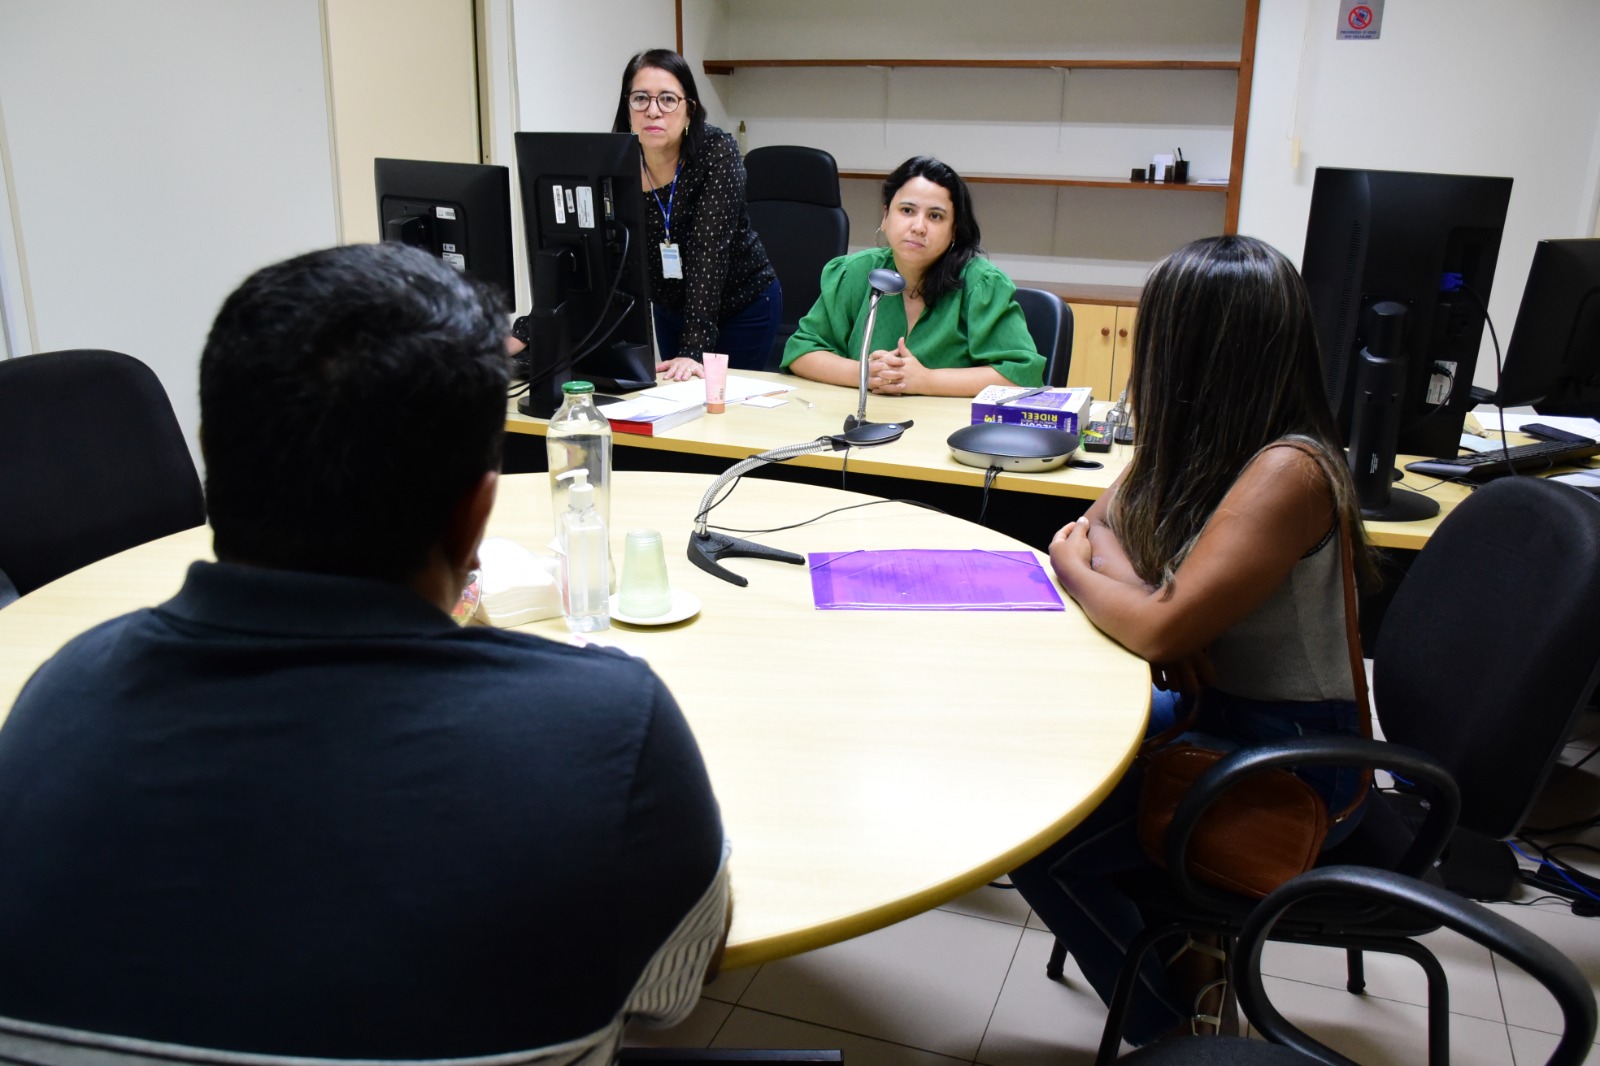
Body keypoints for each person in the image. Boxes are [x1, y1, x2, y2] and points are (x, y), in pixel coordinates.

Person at [0, 243, 729, 1060]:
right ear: (475, 513)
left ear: (214, 454)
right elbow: (669, 994)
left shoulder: (51, 707)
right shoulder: (612, 733)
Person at [1007, 235, 1375, 1046]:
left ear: (1203, 349)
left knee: (1037, 840)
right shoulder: (1204, 442)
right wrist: (1142, 595)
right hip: (1220, 709)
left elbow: (1125, 590)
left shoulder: (1289, 470)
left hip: (1292, 757)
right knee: (1043, 754)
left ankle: (1175, 1035)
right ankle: (1184, 947)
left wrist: (1084, 573)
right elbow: (1105, 526)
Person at [782, 155, 1044, 396]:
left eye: (935, 216)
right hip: (862, 424)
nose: (918, 227)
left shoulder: (981, 284)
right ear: (885, 216)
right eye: (907, 211)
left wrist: (926, 380)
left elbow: (1022, 376)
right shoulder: (854, 273)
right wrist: (865, 373)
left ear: (954, 230)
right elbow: (802, 352)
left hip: (947, 433)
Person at [616, 48, 780, 379]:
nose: (653, 111)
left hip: (741, 306)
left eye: (667, 99)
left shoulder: (716, 153)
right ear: (627, 107)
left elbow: (710, 249)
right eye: (640, 99)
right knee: (679, 402)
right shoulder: (616, 161)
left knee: (725, 412)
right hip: (671, 308)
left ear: (689, 109)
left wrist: (694, 349)